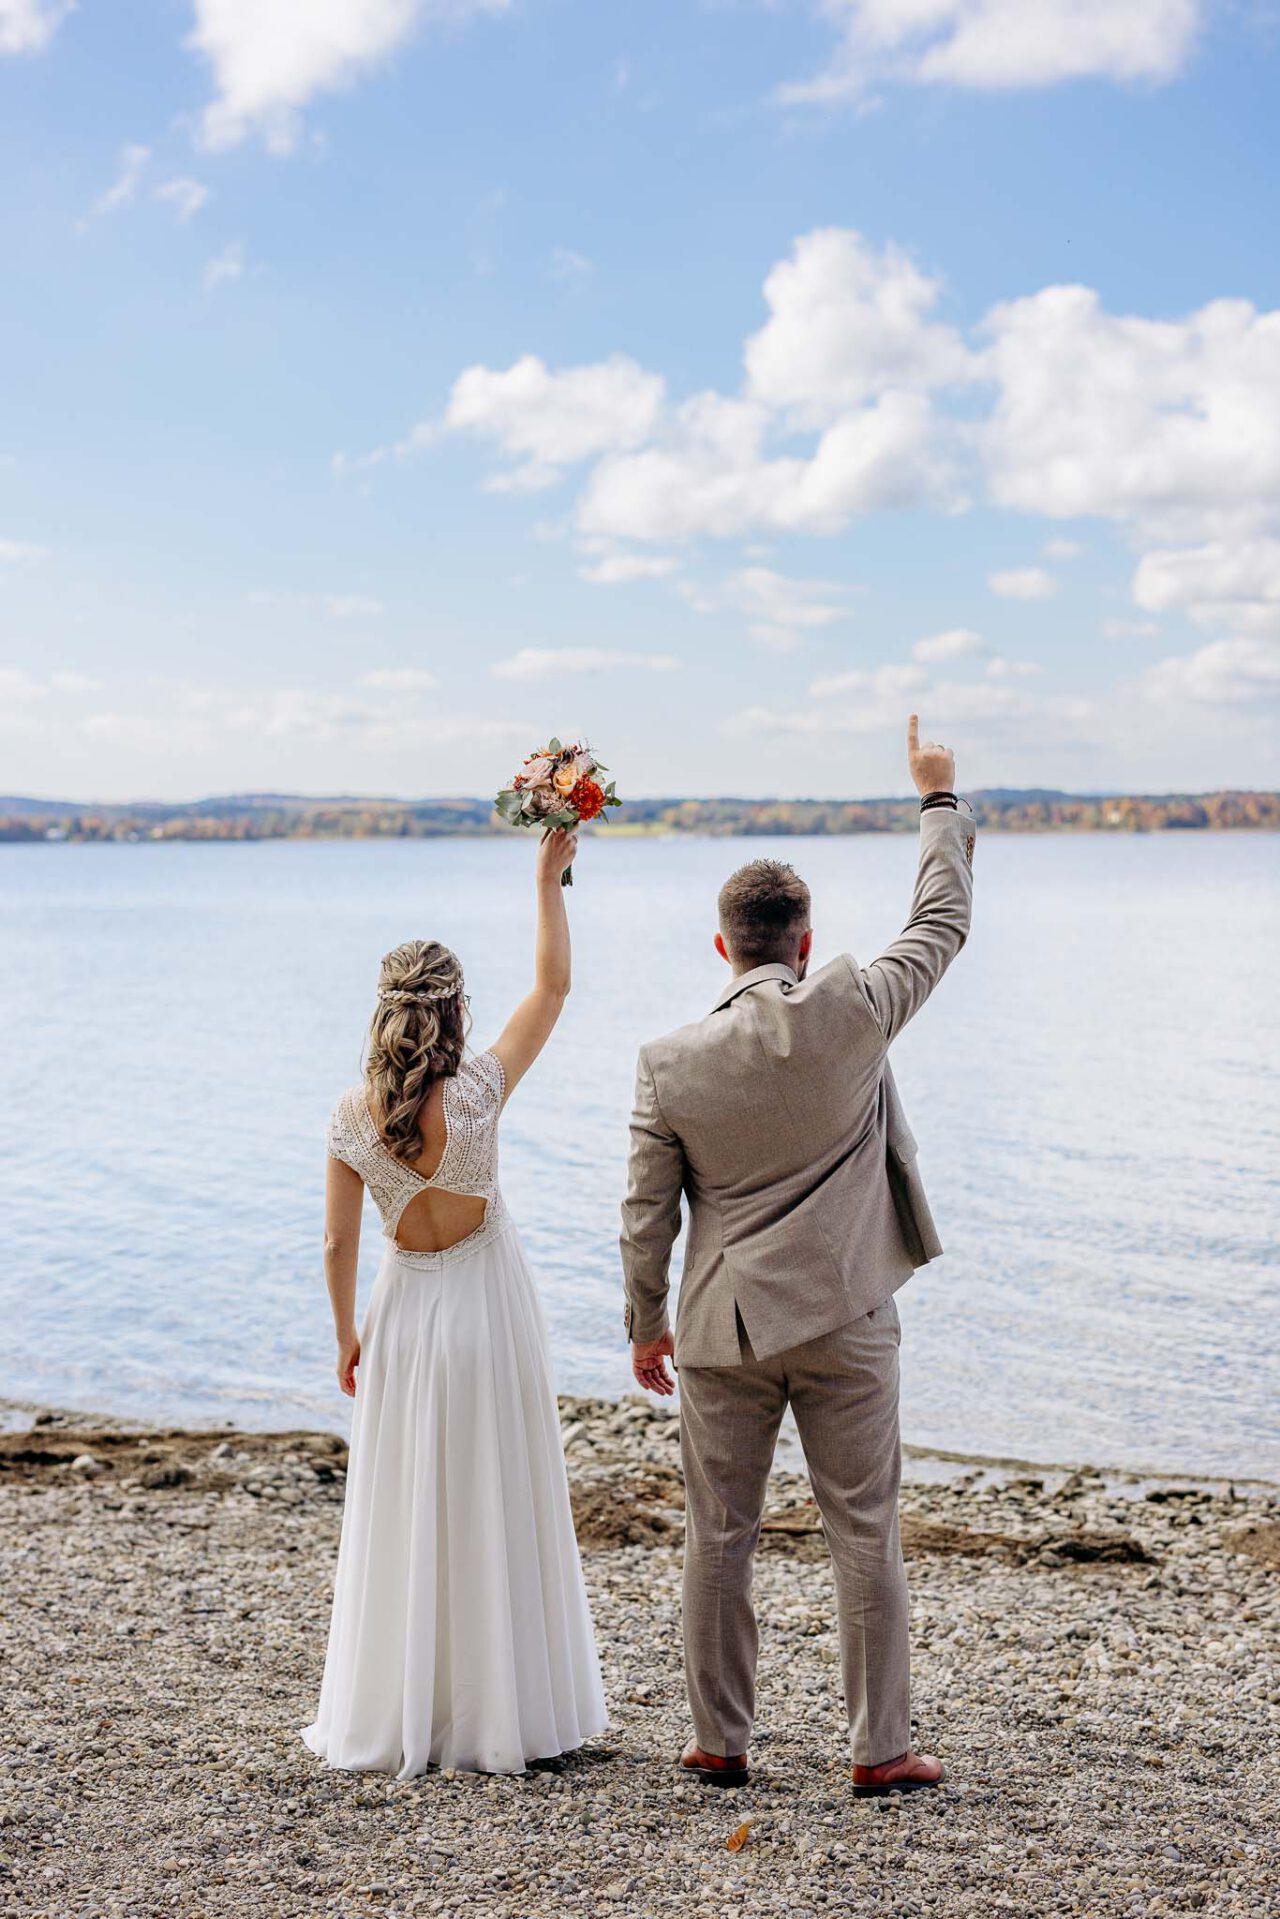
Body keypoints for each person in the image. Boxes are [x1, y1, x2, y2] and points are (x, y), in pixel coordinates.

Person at [621, 716, 974, 1796]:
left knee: (716, 1535)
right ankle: (877, 1749)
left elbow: (644, 1212)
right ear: (804, 941)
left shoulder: (667, 1061)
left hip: (722, 1330)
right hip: (846, 1318)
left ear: (721, 945)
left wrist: (645, 1324)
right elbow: (940, 918)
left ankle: (716, 1741)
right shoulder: (856, 1005)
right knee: (862, 1531)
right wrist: (935, 797)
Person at [302, 826, 606, 1778]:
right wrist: (546, 881)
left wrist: (347, 1333)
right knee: (496, 1495)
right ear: (456, 1008)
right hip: (487, 1305)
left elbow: (338, 1242)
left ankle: (405, 1712)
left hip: (404, 1313)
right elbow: (553, 988)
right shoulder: (477, 1090)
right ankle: (504, 1713)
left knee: (408, 1506)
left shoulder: (353, 1114)